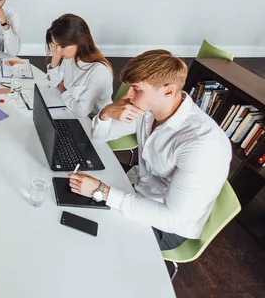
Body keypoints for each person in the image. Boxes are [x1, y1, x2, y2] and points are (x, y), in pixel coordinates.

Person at [67, 50, 231, 250]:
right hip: (138, 186)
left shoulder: (202, 146)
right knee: (71, 171)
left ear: (168, 91)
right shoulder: (149, 110)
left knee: (82, 233)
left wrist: (103, 192)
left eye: (136, 89)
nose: (127, 96)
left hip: (165, 225)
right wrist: (106, 113)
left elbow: (174, 219)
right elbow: (99, 138)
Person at [45, 14, 113, 117]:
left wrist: (63, 91)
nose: (58, 50)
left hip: (92, 122)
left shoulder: (99, 71)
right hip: (71, 111)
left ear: (80, 41)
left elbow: (82, 112)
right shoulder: (70, 58)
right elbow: (53, 83)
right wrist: (55, 57)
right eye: (55, 44)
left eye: (62, 46)